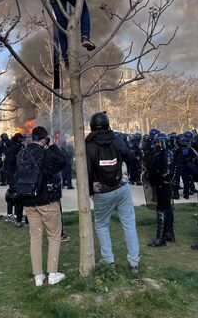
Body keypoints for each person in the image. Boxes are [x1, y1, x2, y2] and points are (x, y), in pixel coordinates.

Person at [86, 112, 140, 274]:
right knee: (129, 224)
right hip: (122, 187)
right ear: (108, 124)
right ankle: (134, 263)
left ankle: (109, 261)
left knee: (102, 225)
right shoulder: (117, 140)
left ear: (92, 126)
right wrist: (130, 175)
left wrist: (90, 191)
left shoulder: (88, 145)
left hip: (101, 192)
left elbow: (87, 171)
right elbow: (130, 159)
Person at [20, 126, 67, 286]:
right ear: (44, 139)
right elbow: (62, 161)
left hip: (28, 201)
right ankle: (52, 274)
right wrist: (52, 145)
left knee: (35, 237)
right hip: (46, 200)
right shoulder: (45, 153)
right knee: (54, 236)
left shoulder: (22, 154)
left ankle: (38, 276)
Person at [145, 133, 175, 247]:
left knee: (162, 210)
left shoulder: (166, 154)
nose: (155, 144)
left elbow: (166, 173)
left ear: (162, 142)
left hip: (164, 186)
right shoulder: (161, 153)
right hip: (160, 185)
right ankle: (168, 234)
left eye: (157, 142)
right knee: (165, 209)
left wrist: (155, 176)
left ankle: (161, 238)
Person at [4, 132, 26, 226]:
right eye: (21, 139)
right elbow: (13, 160)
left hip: (11, 172)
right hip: (14, 173)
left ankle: (11, 214)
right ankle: (16, 215)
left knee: (12, 192)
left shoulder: (12, 146)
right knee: (16, 194)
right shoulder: (15, 148)